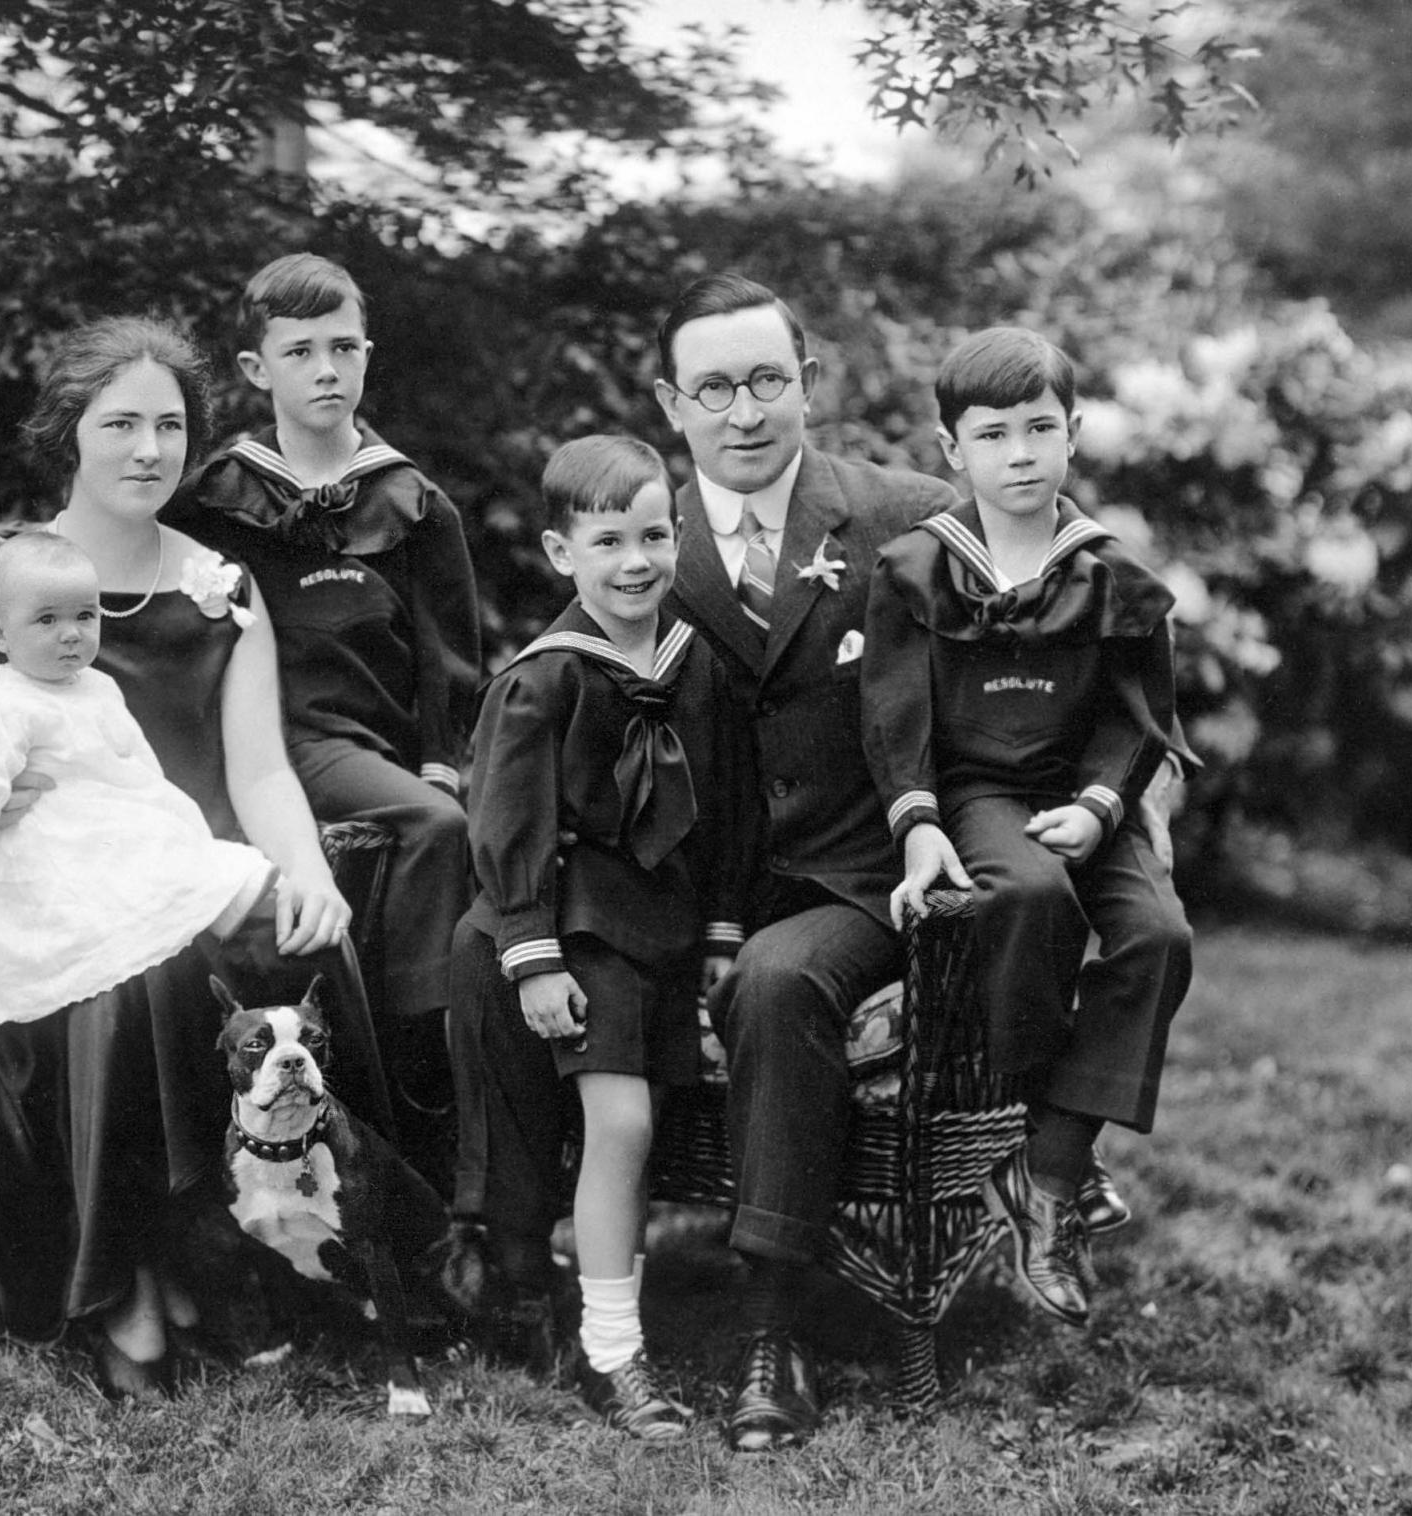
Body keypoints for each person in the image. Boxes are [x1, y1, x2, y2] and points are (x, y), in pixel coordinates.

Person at [0, 314, 383, 1402]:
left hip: (177, 862)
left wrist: (306, 871)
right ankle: (134, 1291)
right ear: (68, 431)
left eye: (169, 426)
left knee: (303, 936)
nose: (148, 449)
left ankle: (308, 1260)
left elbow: (261, 773)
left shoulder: (222, 587)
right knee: (133, 983)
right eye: (119, 424)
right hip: (36, 888)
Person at [650, 272, 959, 1452]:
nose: (742, 413)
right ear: (671, 403)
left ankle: (770, 1331)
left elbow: (1055, 645)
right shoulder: (640, 539)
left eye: (765, 381)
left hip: (862, 878)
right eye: (712, 389)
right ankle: (527, 1283)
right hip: (696, 886)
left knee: (775, 985)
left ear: (808, 384)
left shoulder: (911, 517)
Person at [861, 326, 1198, 1327]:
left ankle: (1045, 1164)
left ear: (1073, 433)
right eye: (993, 434)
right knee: (1029, 893)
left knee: (1158, 937)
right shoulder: (916, 568)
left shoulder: (1110, 575)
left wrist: (1101, 807)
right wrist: (917, 819)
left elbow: (1136, 718)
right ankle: (1049, 1162)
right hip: (981, 795)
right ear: (950, 448)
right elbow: (893, 713)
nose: (1019, 453)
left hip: (1086, 796)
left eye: (1039, 429)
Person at [451, 436, 752, 1439]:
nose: (635, 561)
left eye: (654, 537)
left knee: (637, 1128)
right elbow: (505, 821)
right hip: (573, 925)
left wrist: (719, 933)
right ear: (559, 552)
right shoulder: (543, 679)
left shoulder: (697, 664)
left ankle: (595, 1311)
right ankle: (613, 1352)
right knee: (619, 1124)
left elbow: (728, 809)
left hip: (663, 928)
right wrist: (531, 953)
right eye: (607, 541)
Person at [182, 254, 481, 1179]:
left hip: (373, 745)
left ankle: (434, 1055)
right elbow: (117, 544)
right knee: (436, 828)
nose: (325, 370)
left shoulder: (411, 500)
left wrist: (439, 761)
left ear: (367, 355)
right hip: (272, 741)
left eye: (343, 347)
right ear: (255, 369)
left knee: (448, 818)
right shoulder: (219, 496)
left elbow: (447, 657)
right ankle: (402, 1045)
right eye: (300, 351)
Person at [0, 531, 278, 1020]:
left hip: (107, 821)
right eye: (47, 620)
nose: (71, 633)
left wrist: (161, 807)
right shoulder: (5, 709)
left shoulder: (98, 686)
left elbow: (132, 754)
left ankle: (229, 899)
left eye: (85, 616)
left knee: (166, 856)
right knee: (102, 896)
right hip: (49, 838)